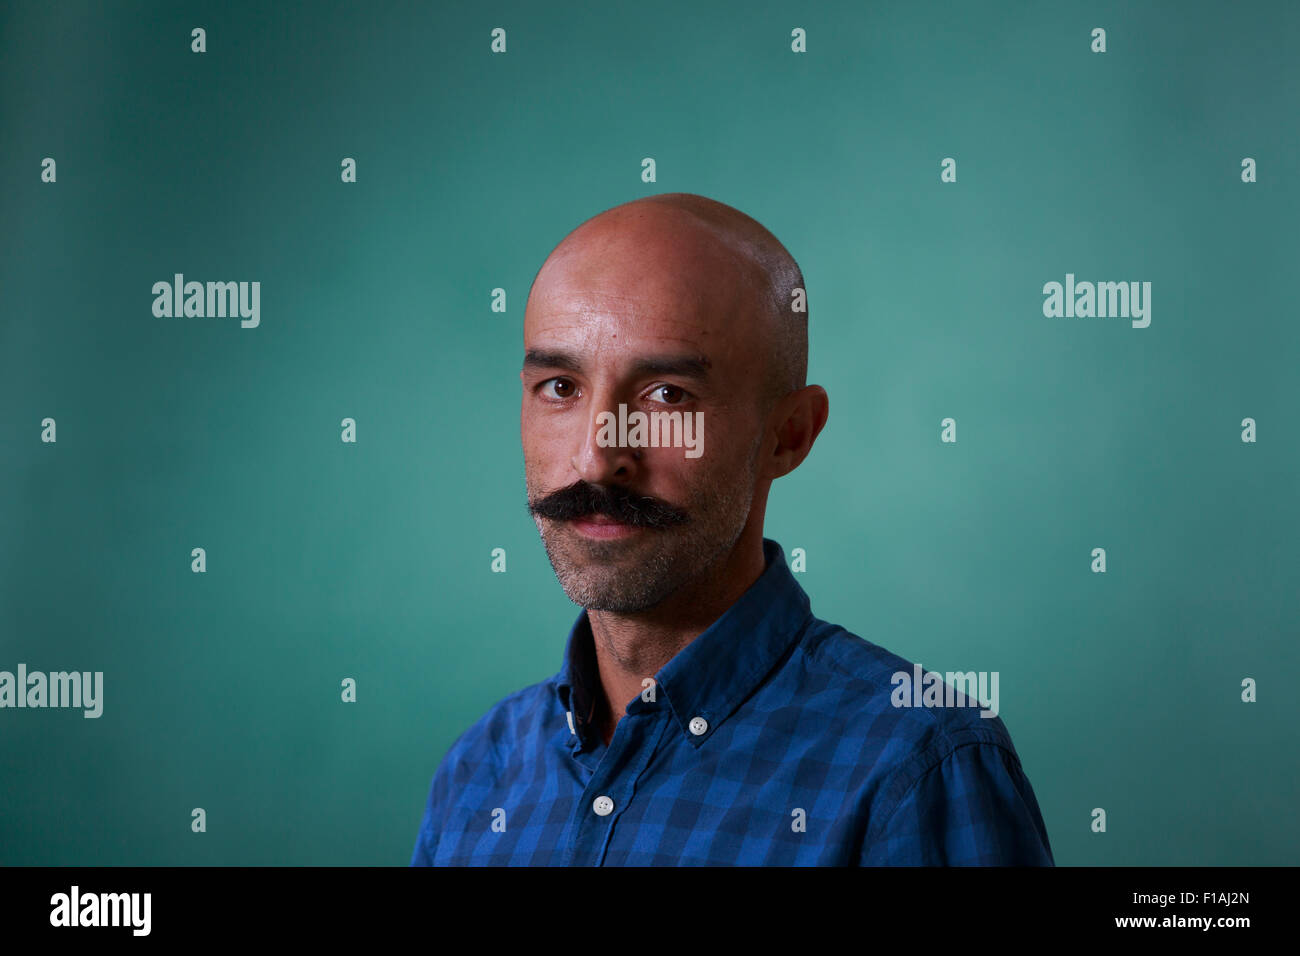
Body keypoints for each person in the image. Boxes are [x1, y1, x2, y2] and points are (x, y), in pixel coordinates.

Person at [411, 192, 1054, 865]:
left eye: (667, 395)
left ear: (790, 434)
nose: (598, 456)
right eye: (561, 387)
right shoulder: (476, 776)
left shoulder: (917, 770)